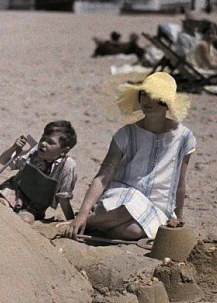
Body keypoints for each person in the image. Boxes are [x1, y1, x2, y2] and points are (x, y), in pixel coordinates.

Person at [64, 72, 195, 241]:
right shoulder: (126, 134)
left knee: (131, 232)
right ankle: (82, 221)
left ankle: (93, 223)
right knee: (129, 206)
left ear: (166, 103)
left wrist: (178, 216)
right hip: (123, 195)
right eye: (144, 94)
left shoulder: (184, 137)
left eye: (154, 96)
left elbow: (180, 182)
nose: (147, 100)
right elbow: (103, 176)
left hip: (157, 204)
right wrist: (82, 212)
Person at [0, 120, 78, 223]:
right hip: (14, 191)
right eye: (43, 139)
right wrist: (14, 148)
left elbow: (64, 198)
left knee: (26, 220)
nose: (43, 143)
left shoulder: (67, 166)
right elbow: (3, 161)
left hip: (35, 205)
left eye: (50, 142)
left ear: (64, 151)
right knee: (0, 203)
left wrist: (71, 222)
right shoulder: (34, 151)